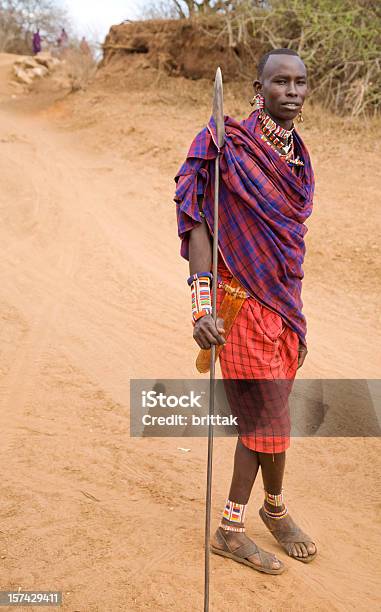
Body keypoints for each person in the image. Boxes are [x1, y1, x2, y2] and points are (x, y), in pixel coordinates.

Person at [174, 49, 317, 574]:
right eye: (281, 82)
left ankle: (274, 510)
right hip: (239, 307)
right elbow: (199, 227)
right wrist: (200, 309)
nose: (293, 91)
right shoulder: (224, 147)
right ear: (259, 87)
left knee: (276, 419)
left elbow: (287, 240)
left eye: (301, 82)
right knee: (264, 420)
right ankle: (230, 531)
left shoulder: (297, 156)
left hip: (283, 304)